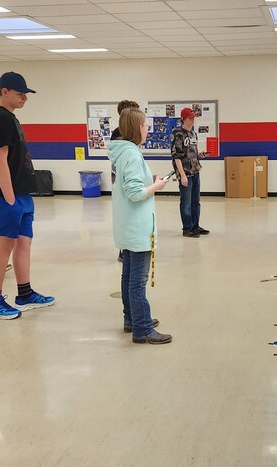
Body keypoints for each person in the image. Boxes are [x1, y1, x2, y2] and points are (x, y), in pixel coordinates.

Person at [0, 71, 54, 319]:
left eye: (26, 94)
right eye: (20, 93)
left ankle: (24, 293)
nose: (25, 98)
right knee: (5, 245)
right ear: (4, 92)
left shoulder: (10, 118)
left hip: (21, 193)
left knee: (24, 244)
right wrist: (10, 198)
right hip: (6, 196)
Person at [108, 108, 172, 344]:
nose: (148, 129)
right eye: (145, 125)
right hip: (137, 228)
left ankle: (131, 319)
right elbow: (135, 193)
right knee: (137, 281)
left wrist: (150, 181)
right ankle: (142, 328)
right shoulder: (132, 154)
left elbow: (129, 185)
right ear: (136, 128)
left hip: (126, 226)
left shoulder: (122, 152)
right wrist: (158, 186)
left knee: (128, 277)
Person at [171, 107, 210, 238]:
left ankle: (195, 225)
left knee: (195, 201)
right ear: (183, 119)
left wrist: (200, 155)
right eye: (190, 118)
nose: (193, 120)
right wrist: (182, 175)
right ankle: (187, 228)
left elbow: (190, 153)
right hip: (185, 173)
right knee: (186, 202)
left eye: (193, 118)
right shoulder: (178, 135)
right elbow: (177, 157)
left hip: (195, 171)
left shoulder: (193, 134)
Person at [111, 100, 140, 262]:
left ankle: (129, 247)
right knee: (124, 214)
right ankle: (124, 249)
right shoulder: (118, 134)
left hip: (129, 178)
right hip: (121, 180)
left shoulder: (132, 133)